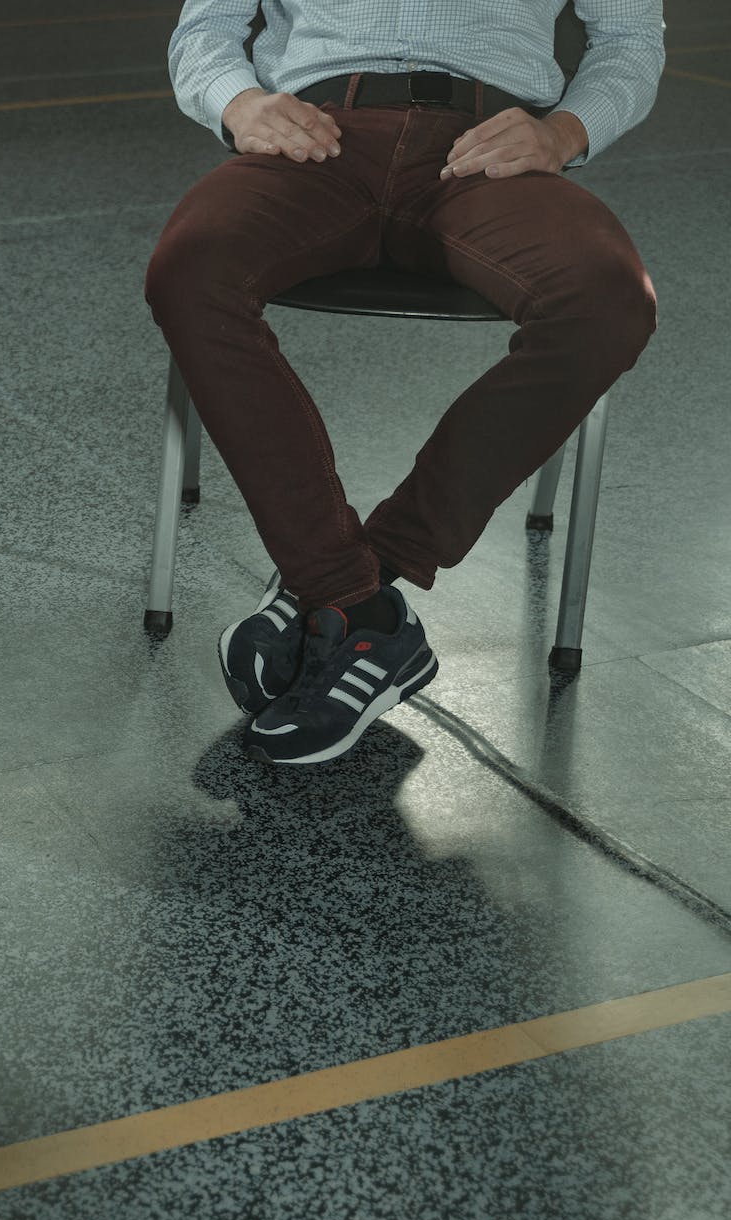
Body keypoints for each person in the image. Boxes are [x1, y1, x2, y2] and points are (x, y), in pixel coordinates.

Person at [145, 1, 662, 765]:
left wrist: (561, 132)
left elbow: (630, 36)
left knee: (609, 299)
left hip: (488, 149)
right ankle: (358, 607)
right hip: (316, 139)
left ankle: (351, 578)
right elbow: (205, 29)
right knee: (191, 270)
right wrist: (241, 102)